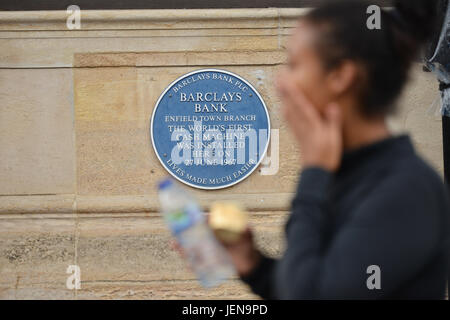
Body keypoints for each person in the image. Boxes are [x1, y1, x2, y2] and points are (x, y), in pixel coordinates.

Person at [220, 0, 450, 299]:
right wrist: (252, 265)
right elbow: (319, 281)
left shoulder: (404, 189)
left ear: (341, 76)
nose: (280, 82)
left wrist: (313, 173)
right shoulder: (352, 175)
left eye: (294, 64)